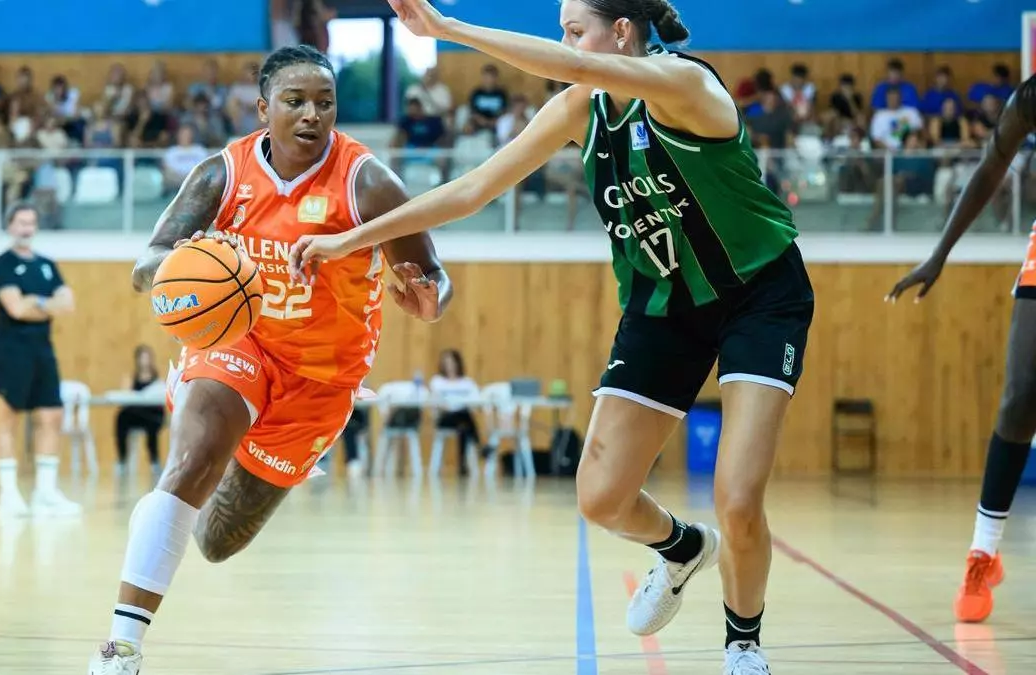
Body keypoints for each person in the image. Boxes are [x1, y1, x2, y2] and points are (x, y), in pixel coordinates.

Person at [290, 2, 815, 673]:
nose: (562, 44)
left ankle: (743, 645)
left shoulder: (685, 85)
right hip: (664, 307)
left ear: (620, 32)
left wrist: (447, 30)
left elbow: (569, 66)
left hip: (758, 294)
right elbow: (472, 189)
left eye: (573, 31)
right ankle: (683, 548)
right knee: (600, 497)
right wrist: (350, 239)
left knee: (738, 499)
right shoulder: (579, 111)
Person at [87, 45, 453, 674]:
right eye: (295, 101)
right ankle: (120, 649)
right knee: (190, 464)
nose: (312, 114)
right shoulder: (220, 175)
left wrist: (428, 300)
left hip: (322, 378)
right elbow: (145, 265)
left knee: (216, 541)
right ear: (263, 108)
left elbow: (435, 278)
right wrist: (185, 261)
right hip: (239, 343)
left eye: (325, 102)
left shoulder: (369, 184)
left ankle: (204, 482)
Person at [886, 73, 1036, 624]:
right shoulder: (1031, 99)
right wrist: (940, 253)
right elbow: (992, 166)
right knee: (1020, 397)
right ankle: (983, 552)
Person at [0, 202, 80, 518]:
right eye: (21, 222)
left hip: (43, 349)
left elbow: (68, 304)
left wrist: (35, 301)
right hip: (12, 351)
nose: (26, 228)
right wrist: (47, 303)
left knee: (52, 416)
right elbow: (15, 308)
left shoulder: (47, 264)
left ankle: (46, 492)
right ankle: (9, 494)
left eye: (31, 222)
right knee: (8, 418)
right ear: (10, 226)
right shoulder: (3, 264)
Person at [114, 345, 165, 479]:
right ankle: (122, 459)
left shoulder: (157, 381)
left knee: (152, 425)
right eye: (142, 357)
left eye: (147, 357)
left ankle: (154, 461)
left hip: (152, 414)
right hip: (136, 413)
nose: (144, 361)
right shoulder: (132, 379)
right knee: (121, 417)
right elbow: (125, 397)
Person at [428, 348, 483, 475]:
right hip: (445, 417)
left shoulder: (467, 383)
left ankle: (462, 465)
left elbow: (476, 403)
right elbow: (435, 402)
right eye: (446, 362)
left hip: (462, 418)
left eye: (451, 362)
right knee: (464, 416)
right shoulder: (437, 381)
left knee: (463, 427)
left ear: (458, 363)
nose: (449, 365)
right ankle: (479, 448)